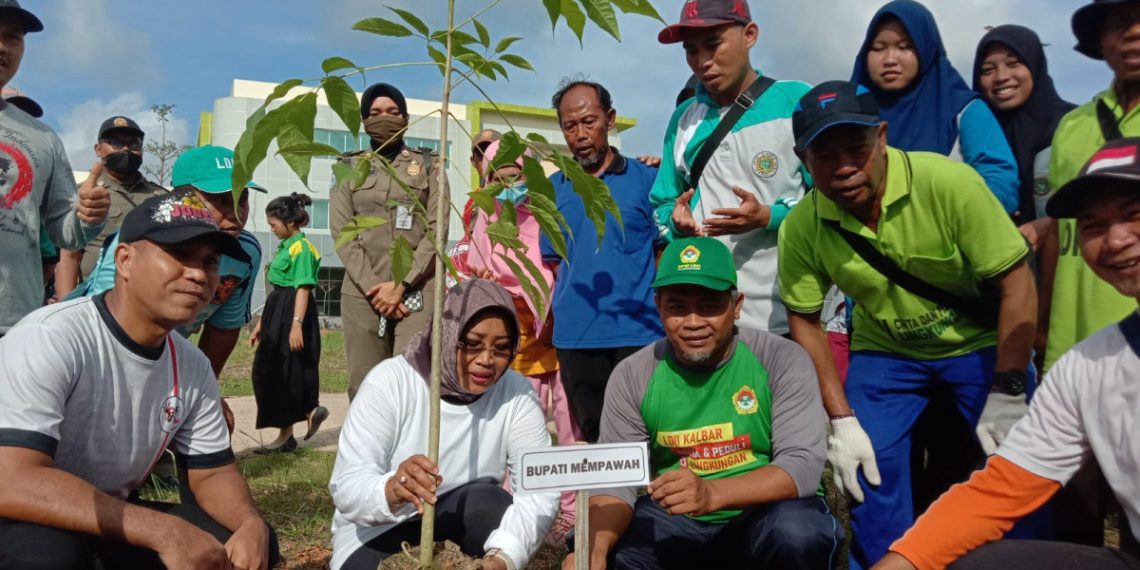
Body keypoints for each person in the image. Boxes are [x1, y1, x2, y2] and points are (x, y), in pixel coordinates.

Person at [778, 81, 1037, 569]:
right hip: (888, 350)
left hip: (978, 342)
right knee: (864, 464)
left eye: (856, 148)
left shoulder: (948, 183)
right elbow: (805, 318)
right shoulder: (802, 225)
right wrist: (841, 419)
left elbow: (1017, 282)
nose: (845, 167)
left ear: (882, 136)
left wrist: (1009, 387)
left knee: (1021, 459)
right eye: (824, 155)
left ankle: (1025, 558)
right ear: (803, 159)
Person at [873, 137, 1140, 570]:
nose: (1116, 240)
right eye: (1093, 226)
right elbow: (1003, 489)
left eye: (1133, 215)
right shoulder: (1089, 366)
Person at [0, 192, 279, 570]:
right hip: (19, 513)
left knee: (239, 543)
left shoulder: (192, 365)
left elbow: (212, 471)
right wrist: (163, 531)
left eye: (210, 261)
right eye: (180, 254)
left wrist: (250, 523)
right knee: (46, 558)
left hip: (107, 515)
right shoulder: (51, 338)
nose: (198, 274)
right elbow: (11, 479)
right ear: (125, 260)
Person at [565, 236, 840, 569]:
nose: (693, 322)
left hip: (765, 511)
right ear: (658, 305)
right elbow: (617, 480)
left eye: (709, 306)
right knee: (615, 549)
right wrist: (595, 548)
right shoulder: (632, 374)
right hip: (678, 518)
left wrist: (712, 493)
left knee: (799, 534)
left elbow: (802, 467)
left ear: (737, 305)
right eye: (677, 307)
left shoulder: (781, 359)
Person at [329, 279, 558, 570]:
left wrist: (504, 556)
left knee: (491, 504)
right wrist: (392, 489)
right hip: (379, 531)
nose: (486, 360)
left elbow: (538, 491)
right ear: (447, 334)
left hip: (466, 517)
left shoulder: (517, 394)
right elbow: (347, 486)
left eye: (501, 349)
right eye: (472, 344)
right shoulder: (391, 382)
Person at [71, 146, 265, 431]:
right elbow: (105, 322)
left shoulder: (245, 252)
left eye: (242, 198)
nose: (236, 211)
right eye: (221, 200)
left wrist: (204, 392)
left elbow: (223, 328)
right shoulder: (142, 239)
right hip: (91, 351)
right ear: (181, 197)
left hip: (162, 350)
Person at [650, 0, 812, 336]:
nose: (702, 61)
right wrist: (677, 222)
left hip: (792, 317)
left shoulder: (796, 103)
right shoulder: (683, 121)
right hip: (710, 325)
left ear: (750, 35)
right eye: (691, 50)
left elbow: (830, 202)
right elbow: (662, 203)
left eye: (713, 44)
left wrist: (770, 217)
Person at [462, 140, 581, 543]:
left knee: (569, 428)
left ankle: (569, 513)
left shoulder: (550, 215)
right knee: (516, 427)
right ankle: (514, 508)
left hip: (558, 332)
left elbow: (564, 265)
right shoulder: (485, 218)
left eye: (517, 176)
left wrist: (550, 308)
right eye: (499, 178)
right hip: (514, 340)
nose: (509, 186)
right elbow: (473, 271)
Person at [540, 79, 664, 445]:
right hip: (577, 338)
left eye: (589, 121)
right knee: (599, 445)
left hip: (641, 335)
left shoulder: (648, 180)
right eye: (569, 125)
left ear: (610, 119)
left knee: (651, 441)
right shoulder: (551, 189)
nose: (580, 134)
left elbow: (661, 254)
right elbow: (556, 264)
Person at [331, 82, 448, 401]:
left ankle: (412, 449)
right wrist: (375, 286)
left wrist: (400, 284)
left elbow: (437, 230)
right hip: (361, 292)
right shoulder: (348, 167)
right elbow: (343, 232)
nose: (386, 118)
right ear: (365, 120)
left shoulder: (429, 164)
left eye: (394, 112)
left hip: (418, 288)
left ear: (406, 118)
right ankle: (366, 450)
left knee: (413, 378)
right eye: (376, 112)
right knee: (364, 382)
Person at [0, 0, 111, 336]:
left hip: (13, 325)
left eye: (13, 37)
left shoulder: (42, 138)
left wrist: (88, 214)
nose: (3, 47)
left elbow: (65, 231)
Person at [852, 0, 1020, 214]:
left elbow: (1001, 181)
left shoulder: (964, 109)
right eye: (878, 48)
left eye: (905, 47)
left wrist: (943, 219)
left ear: (926, 49)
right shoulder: (850, 114)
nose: (890, 59)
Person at [974, 25, 1077, 229]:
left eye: (1014, 63)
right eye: (987, 70)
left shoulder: (1074, 126)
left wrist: (1050, 227)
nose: (1001, 76)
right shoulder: (974, 136)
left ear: (1035, 65)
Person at [55, 116, 168, 300]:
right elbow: (69, 256)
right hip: (94, 298)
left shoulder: (160, 197)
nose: (125, 149)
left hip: (147, 298)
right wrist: (64, 306)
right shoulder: (85, 193)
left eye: (134, 144)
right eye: (116, 143)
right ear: (98, 149)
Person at [250, 193, 329, 453]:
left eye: (273, 224)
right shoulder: (286, 246)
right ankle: (302, 418)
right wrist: (263, 322)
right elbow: (276, 290)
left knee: (289, 368)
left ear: (289, 222)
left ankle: (293, 426)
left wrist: (296, 324)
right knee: (270, 369)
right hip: (278, 309)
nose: (271, 229)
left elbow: (303, 288)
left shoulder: (302, 249)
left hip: (293, 311)